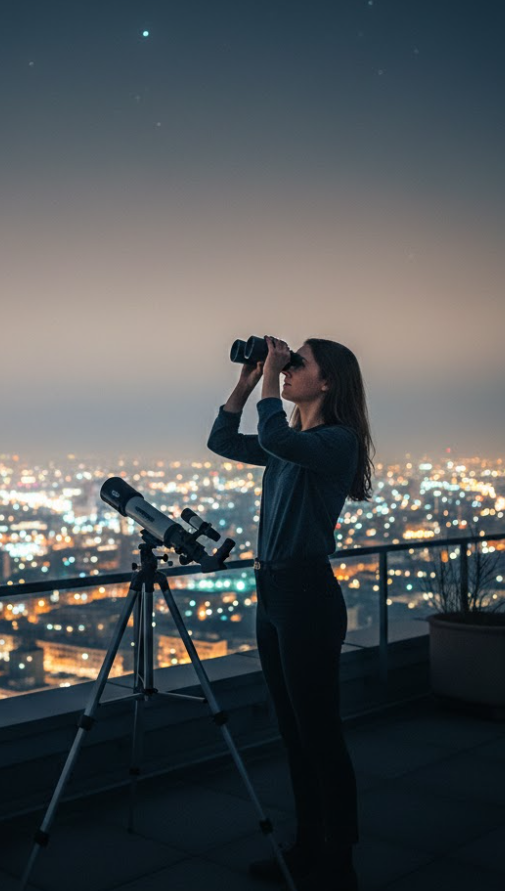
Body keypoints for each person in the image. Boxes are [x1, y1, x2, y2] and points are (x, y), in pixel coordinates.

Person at [207, 335, 374, 891]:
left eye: (298, 363)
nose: (287, 370)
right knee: (293, 732)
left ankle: (339, 861)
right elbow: (221, 440)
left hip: (306, 596)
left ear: (327, 382)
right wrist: (247, 382)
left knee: (320, 734)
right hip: (273, 593)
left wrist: (268, 387)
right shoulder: (292, 443)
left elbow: (274, 434)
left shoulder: (336, 441)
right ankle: (307, 846)